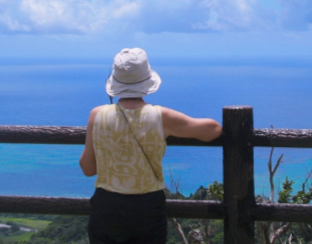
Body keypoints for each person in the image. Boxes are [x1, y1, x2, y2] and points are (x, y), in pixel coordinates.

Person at [79, 48, 222, 244]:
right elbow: (213, 129)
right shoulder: (161, 116)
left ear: (114, 82)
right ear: (147, 80)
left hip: (106, 205)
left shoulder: (96, 115)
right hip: (146, 205)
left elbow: (88, 168)